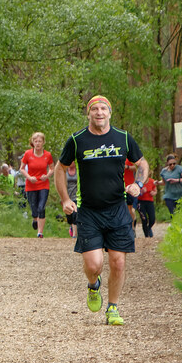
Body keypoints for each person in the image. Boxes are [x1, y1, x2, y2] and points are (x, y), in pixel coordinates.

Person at [53, 95, 148, 327]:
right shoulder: (77, 140)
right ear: (89, 113)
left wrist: (139, 184)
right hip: (89, 212)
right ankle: (93, 285)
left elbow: (142, 164)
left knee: (118, 263)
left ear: (110, 112)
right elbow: (60, 168)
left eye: (103, 108)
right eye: (94, 109)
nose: (99, 113)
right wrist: (65, 199)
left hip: (117, 210)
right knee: (94, 265)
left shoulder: (123, 137)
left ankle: (113, 307)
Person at [21, 132, 53, 238]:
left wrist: (47, 175)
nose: (38, 143)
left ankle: (40, 232)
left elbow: (52, 168)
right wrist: (29, 177)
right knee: (34, 208)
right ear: (33, 142)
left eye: (40, 141)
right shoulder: (27, 154)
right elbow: (21, 169)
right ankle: (35, 218)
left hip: (43, 185)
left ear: (43, 142)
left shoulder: (47, 155)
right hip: (31, 185)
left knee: (41, 208)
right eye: (36, 141)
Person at [65, 164, 79, 238]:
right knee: (69, 217)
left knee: (75, 214)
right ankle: (72, 227)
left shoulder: (78, 170)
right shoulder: (64, 171)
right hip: (68, 197)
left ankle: (74, 235)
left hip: (77, 196)